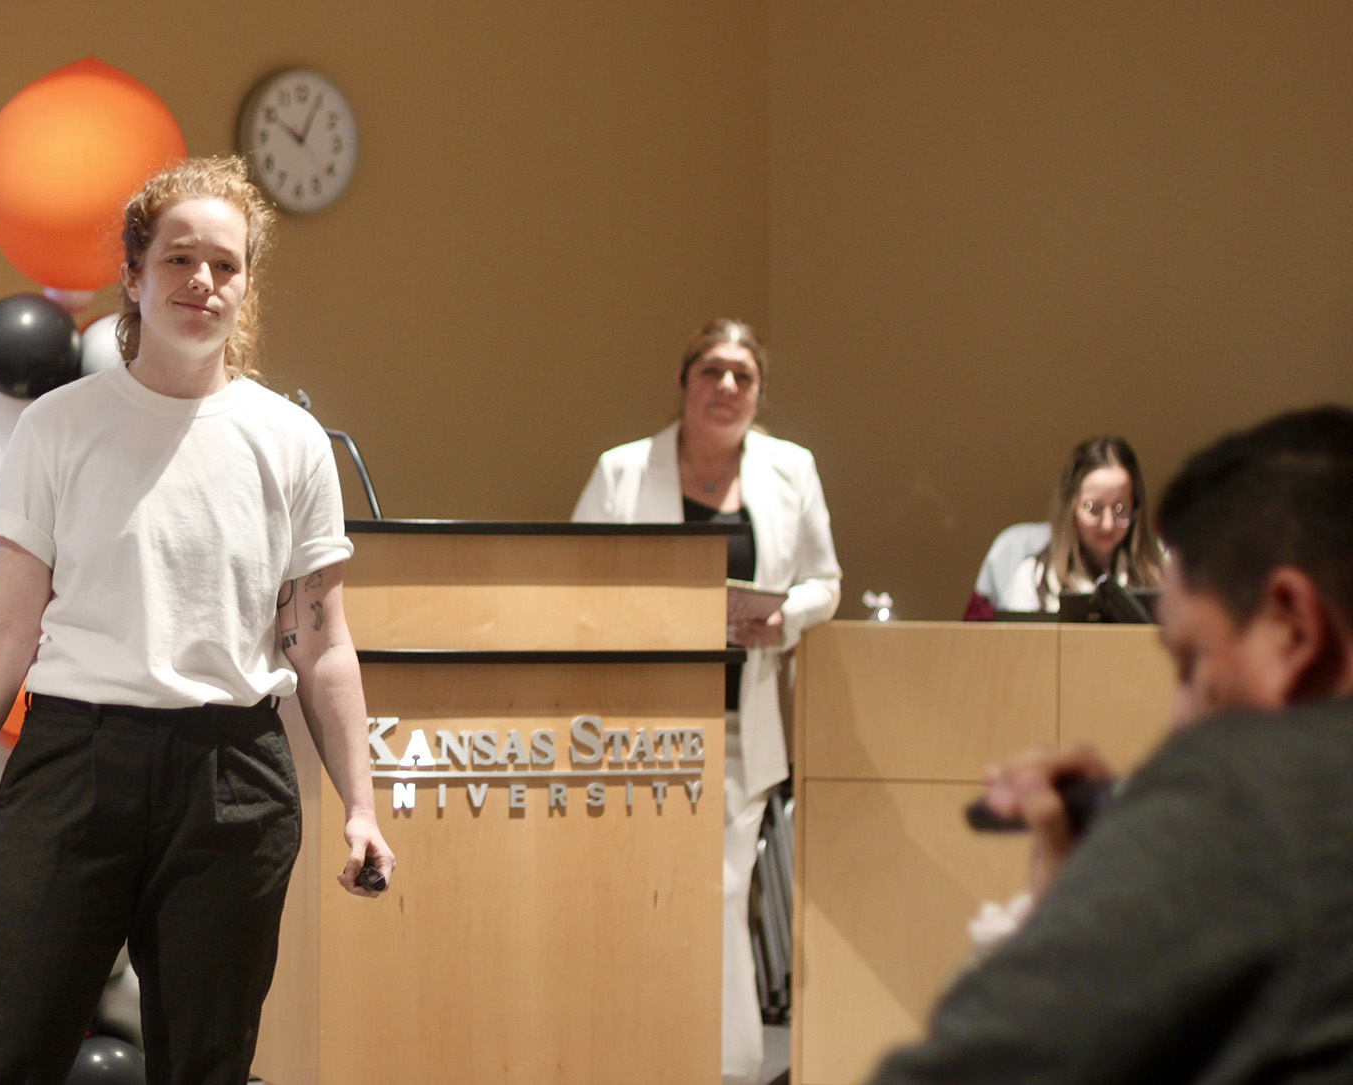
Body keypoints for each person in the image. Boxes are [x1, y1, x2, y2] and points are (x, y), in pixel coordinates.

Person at [0, 157, 394, 1085]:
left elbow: (320, 642)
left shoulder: (289, 443)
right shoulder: (59, 428)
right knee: (13, 1051)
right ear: (134, 274)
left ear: (246, 284)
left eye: (226, 266)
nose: (203, 282)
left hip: (233, 778)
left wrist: (361, 806)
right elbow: (3, 625)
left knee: (208, 1060)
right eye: (178, 259)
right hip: (74, 763)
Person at [869, 405, 1353, 1084]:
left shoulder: (1246, 801)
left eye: (1190, 666)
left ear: (1293, 630)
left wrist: (1064, 919)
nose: (1176, 722)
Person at [572, 318, 841, 1085]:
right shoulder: (622, 471)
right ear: (684, 383)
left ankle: (725, 1066)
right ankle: (633, 1052)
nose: (726, 387)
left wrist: (787, 617)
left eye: (743, 376)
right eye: (712, 372)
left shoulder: (793, 470)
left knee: (720, 888)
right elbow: (579, 579)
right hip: (636, 720)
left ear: (758, 392)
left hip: (735, 722)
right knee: (638, 888)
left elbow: (828, 580)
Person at [995, 435, 1163, 613]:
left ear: (1136, 507)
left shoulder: (1164, 570)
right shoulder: (1033, 579)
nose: (1108, 524)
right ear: (1071, 508)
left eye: (1120, 509)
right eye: (1094, 509)